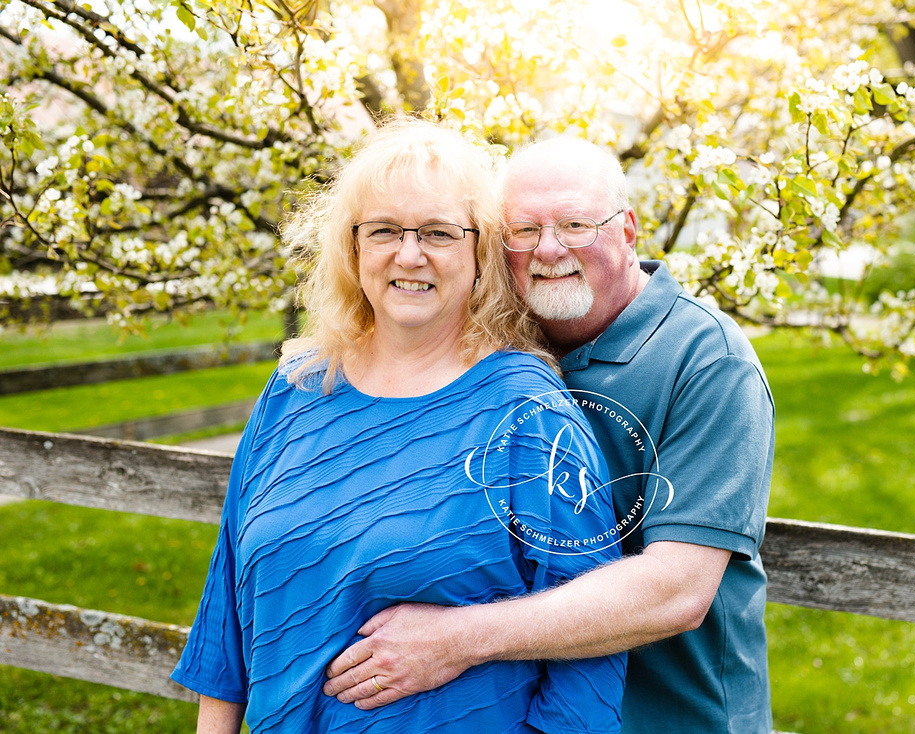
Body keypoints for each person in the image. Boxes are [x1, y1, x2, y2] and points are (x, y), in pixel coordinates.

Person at [171, 122, 626, 734]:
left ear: (479, 251)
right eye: (384, 229)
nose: (409, 255)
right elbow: (226, 604)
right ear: (353, 246)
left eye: (438, 232)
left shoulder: (529, 417)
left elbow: (591, 666)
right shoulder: (296, 388)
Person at [323, 138, 776, 733]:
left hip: (668, 717)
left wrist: (455, 639)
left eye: (576, 225)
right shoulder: (491, 350)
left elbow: (678, 589)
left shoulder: (705, 360)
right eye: (524, 229)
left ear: (629, 229)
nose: (550, 249)